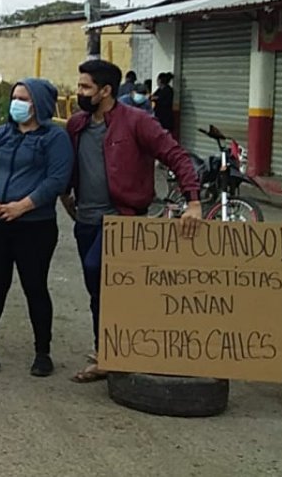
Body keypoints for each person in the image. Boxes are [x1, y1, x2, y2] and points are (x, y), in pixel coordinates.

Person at [63, 60, 202, 383]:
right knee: (96, 289)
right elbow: (67, 165)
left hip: (122, 220)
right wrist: (64, 195)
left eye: (85, 87)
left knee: (102, 275)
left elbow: (177, 155)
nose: (79, 92)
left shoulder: (137, 122)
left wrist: (193, 202)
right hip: (85, 219)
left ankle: (118, 352)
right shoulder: (76, 125)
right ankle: (107, 349)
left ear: (106, 91)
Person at [0, 79, 74, 377]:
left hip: (35, 226)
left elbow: (56, 180)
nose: (17, 104)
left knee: (35, 286)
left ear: (39, 104)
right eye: (15, 98)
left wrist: (23, 206)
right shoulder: (1, 134)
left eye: (24, 99)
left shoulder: (54, 138)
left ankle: (43, 352)